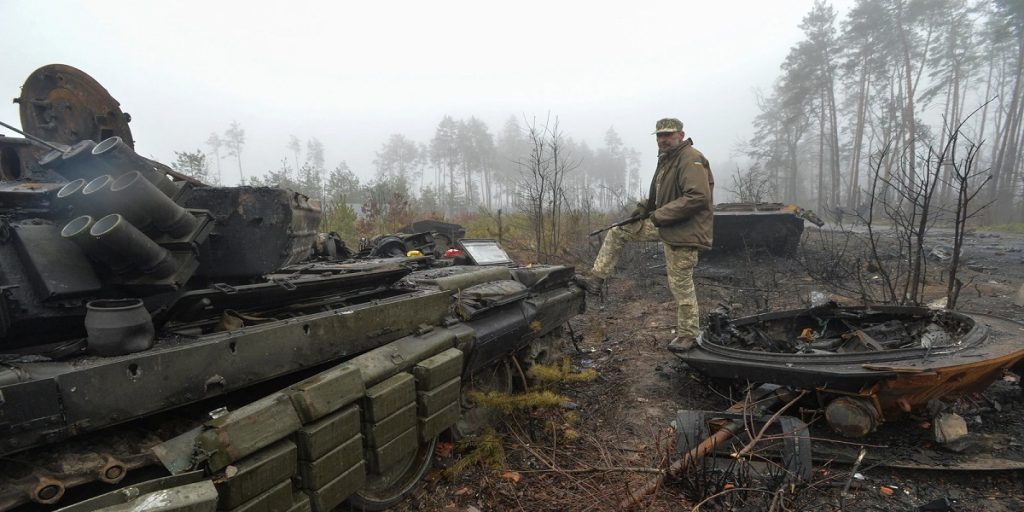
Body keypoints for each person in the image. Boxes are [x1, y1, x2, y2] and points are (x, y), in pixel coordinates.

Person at [580, 118, 714, 353]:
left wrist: (658, 214)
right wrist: (645, 206)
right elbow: (662, 195)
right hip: (667, 224)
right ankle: (595, 280)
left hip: (685, 231)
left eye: (668, 135)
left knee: (680, 284)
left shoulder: (691, 159)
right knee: (618, 231)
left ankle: (689, 334)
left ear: (681, 135)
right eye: (659, 136)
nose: (663, 140)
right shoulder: (667, 160)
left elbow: (698, 197)